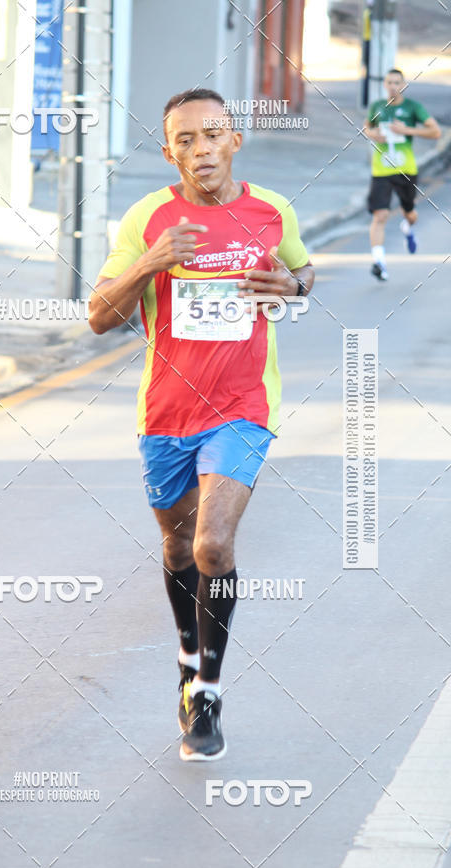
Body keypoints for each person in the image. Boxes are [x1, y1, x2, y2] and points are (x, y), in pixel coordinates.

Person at [88, 87, 314, 761]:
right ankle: (189, 662)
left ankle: (207, 694)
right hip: (166, 415)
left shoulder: (272, 211)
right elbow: (99, 316)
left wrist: (295, 288)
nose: (201, 149)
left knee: (213, 545)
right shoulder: (146, 218)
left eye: (212, 135)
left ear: (233, 141)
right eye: (185, 140)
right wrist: (152, 260)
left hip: (243, 408)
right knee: (178, 544)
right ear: (170, 152)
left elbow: (302, 271)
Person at [364, 68, 441, 281]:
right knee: (380, 215)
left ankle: (407, 227)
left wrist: (407, 131)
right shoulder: (378, 107)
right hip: (381, 170)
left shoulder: (413, 108)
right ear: (385, 85)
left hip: (406, 170)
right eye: (389, 82)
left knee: (410, 213)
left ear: (403, 85)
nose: (393, 86)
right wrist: (373, 134)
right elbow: (367, 127)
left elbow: (435, 132)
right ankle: (378, 262)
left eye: (397, 82)